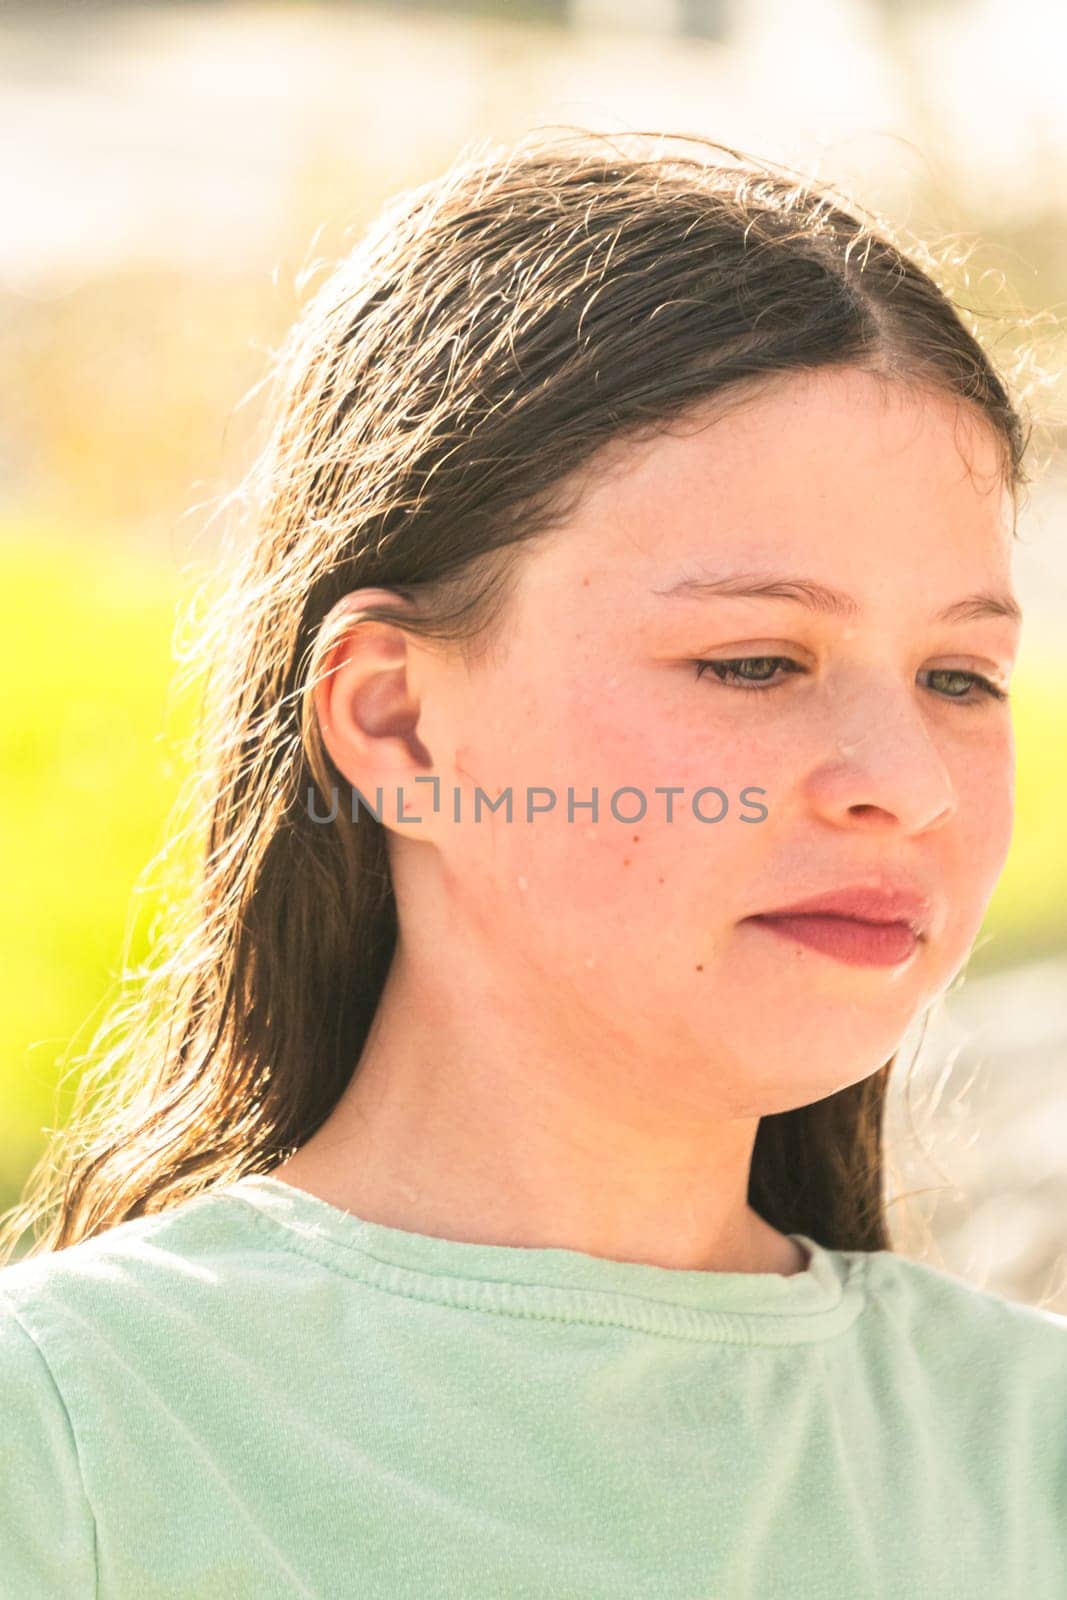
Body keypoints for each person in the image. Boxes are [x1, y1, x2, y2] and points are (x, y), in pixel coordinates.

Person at [0, 127, 1063, 1599]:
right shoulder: (64, 1444)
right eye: (755, 661)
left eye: (961, 676)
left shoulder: (1029, 1452)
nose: (904, 787)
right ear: (398, 723)